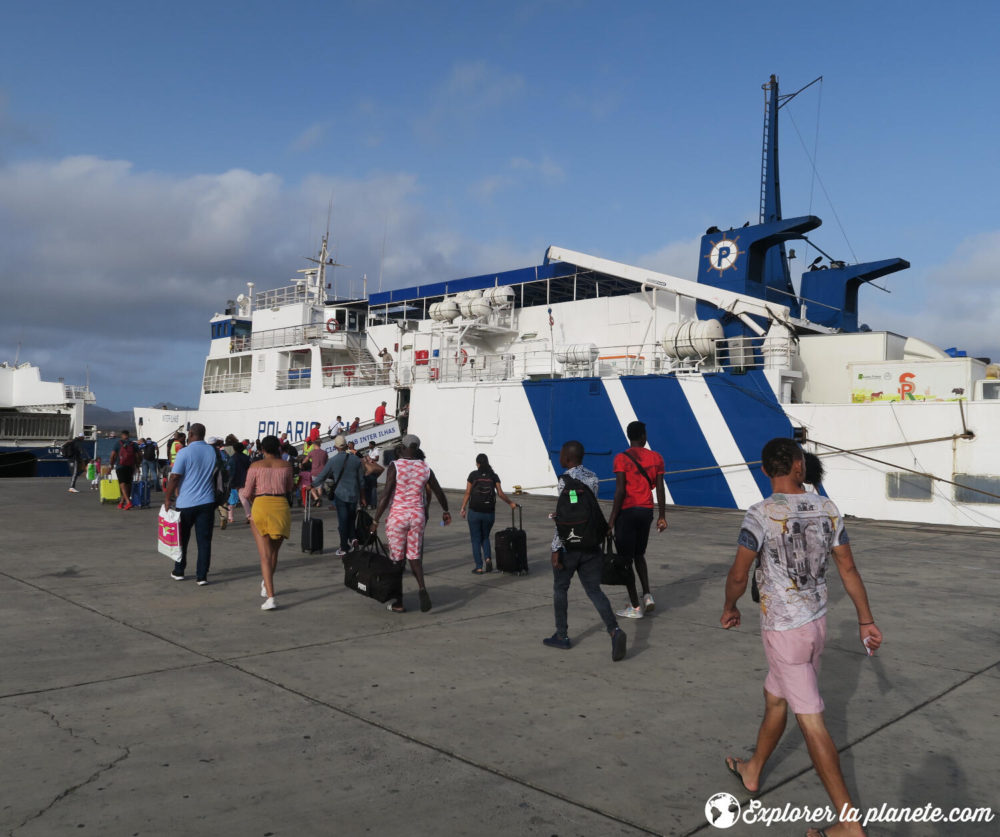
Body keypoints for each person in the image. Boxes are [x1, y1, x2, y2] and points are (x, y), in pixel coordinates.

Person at [721, 437, 882, 837]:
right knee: (775, 697)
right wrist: (865, 620)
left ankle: (849, 825)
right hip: (817, 626)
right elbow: (848, 569)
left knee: (812, 724)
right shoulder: (827, 509)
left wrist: (730, 607)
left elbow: (739, 573)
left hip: (784, 632)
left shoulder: (760, 514)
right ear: (799, 466)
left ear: (765, 470)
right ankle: (753, 768)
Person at [544, 440, 627, 662]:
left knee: (560, 588)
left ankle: (561, 635)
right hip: (590, 544)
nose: (559, 457)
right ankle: (614, 631)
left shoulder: (564, 481)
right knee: (594, 591)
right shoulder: (593, 478)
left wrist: (555, 548)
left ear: (568, 458)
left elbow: (566, 518)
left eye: (562, 454)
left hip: (569, 546)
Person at [369, 434, 451, 613]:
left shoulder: (396, 466)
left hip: (398, 516)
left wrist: (375, 519)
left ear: (404, 447)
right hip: (417, 516)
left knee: (397, 561)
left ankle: (398, 602)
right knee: (414, 557)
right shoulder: (425, 468)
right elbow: (438, 492)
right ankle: (422, 587)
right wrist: (445, 511)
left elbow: (386, 493)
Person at [606, 420, 668, 618]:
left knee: (626, 560)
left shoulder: (621, 459)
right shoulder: (656, 458)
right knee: (639, 554)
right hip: (646, 512)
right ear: (643, 436)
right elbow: (659, 488)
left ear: (629, 436)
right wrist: (662, 516)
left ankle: (635, 607)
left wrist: (612, 520)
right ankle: (648, 595)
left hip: (627, 512)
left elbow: (620, 491)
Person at [240, 435, 294, 610]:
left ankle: (271, 597)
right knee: (274, 552)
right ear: (278, 448)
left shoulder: (255, 466)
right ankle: (266, 582)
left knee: (264, 554)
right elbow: (289, 489)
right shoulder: (286, 466)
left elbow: (247, 493)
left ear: (262, 449)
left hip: (261, 506)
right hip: (281, 506)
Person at [164, 423, 219, 585]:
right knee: (204, 541)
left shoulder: (185, 452)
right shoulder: (212, 451)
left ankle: (179, 570)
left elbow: (174, 477)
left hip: (186, 502)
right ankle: (202, 576)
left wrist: (168, 498)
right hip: (207, 501)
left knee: (182, 539)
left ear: (191, 434)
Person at [459, 453, 517, 573]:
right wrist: (511, 503)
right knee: (485, 537)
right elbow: (500, 493)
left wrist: (463, 507)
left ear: (477, 463)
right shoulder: (493, 476)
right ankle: (488, 558)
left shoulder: (473, 475)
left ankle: (479, 567)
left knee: (475, 539)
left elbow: (468, 493)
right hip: (489, 513)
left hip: (474, 512)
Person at [311, 435, 365, 556]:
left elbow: (322, 475)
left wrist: (312, 484)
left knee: (343, 520)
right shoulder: (356, 460)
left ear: (335, 447)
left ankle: (344, 547)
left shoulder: (333, 461)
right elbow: (361, 481)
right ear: (346, 445)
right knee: (351, 518)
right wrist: (363, 497)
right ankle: (354, 538)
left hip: (340, 495)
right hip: (353, 494)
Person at [109, 429, 141, 510]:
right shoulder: (133, 444)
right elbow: (139, 455)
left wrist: (111, 465)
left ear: (122, 435)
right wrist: (137, 465)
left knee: (122, 484)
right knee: (128, 484)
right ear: (128, 435)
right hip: (130, 466)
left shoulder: (118, 443)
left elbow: (112, 455)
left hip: (120, 466)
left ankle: (128, 502)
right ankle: (121, 503)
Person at [227, 440, 252, 524]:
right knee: (244, 498)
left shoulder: (232, 458)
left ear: (234, 449)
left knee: (232, 499)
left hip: (235, 480)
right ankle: (248, 515)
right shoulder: (246, 457)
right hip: (245, 479)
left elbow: (230, 471)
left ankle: (230, 517)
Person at [362, 441, 382, 508]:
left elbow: (377, 458)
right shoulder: (370, 451)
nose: (369, 446)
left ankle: (373, 504)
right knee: (369, 488)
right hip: (369, 469)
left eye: (370, 445)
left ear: (373, 445)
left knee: (373, 488)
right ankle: (369, 503)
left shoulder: (376, 450)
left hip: (373, 469)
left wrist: (370, 459)